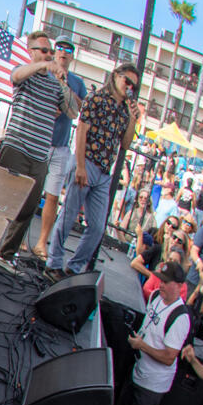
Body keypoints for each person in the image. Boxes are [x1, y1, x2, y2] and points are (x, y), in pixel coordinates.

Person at [102, 262, 193, 405]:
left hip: (153, 384)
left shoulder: (181, 318)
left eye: (166, 281)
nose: (161, 284)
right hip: (137, 370)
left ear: (179, 286)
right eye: (160, 279)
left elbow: (169, 356)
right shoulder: (154, 297)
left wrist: (142, 346)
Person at [45, 62, 137, 278]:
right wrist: (80, 166)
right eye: (127, 81)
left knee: (97, 227)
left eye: (134, 85)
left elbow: (125, 143)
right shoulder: (96, 98)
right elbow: (82, 132)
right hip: (87, 163)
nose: (130, 87)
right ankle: (54, 262)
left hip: (104, 172)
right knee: (68, 217)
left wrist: (133, 120)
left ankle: (74, 267)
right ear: (116, 76)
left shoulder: (125, 109)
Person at [0, 31, 77, 265]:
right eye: (44, 50)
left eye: (51, 51)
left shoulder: (55, 83)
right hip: (17, 147)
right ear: (31, 52)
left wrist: (64, 83)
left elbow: (72, 111)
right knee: (4, 202)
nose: (50, 55)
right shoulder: (25, 72)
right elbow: (17, 75)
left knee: (28, 209)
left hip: (40, 155)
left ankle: (6, 254)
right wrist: (43, 66)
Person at [31, 38, 88, 262]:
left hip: (61, 145)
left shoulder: (77, 82)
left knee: (53, 196)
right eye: (61, 48)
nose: (64, 52)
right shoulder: (43, 72)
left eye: (69, 50)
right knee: (31, 192)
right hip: (39, 140)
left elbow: (80, 109)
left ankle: (41, 242)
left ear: (73, 56)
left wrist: (64, 85)